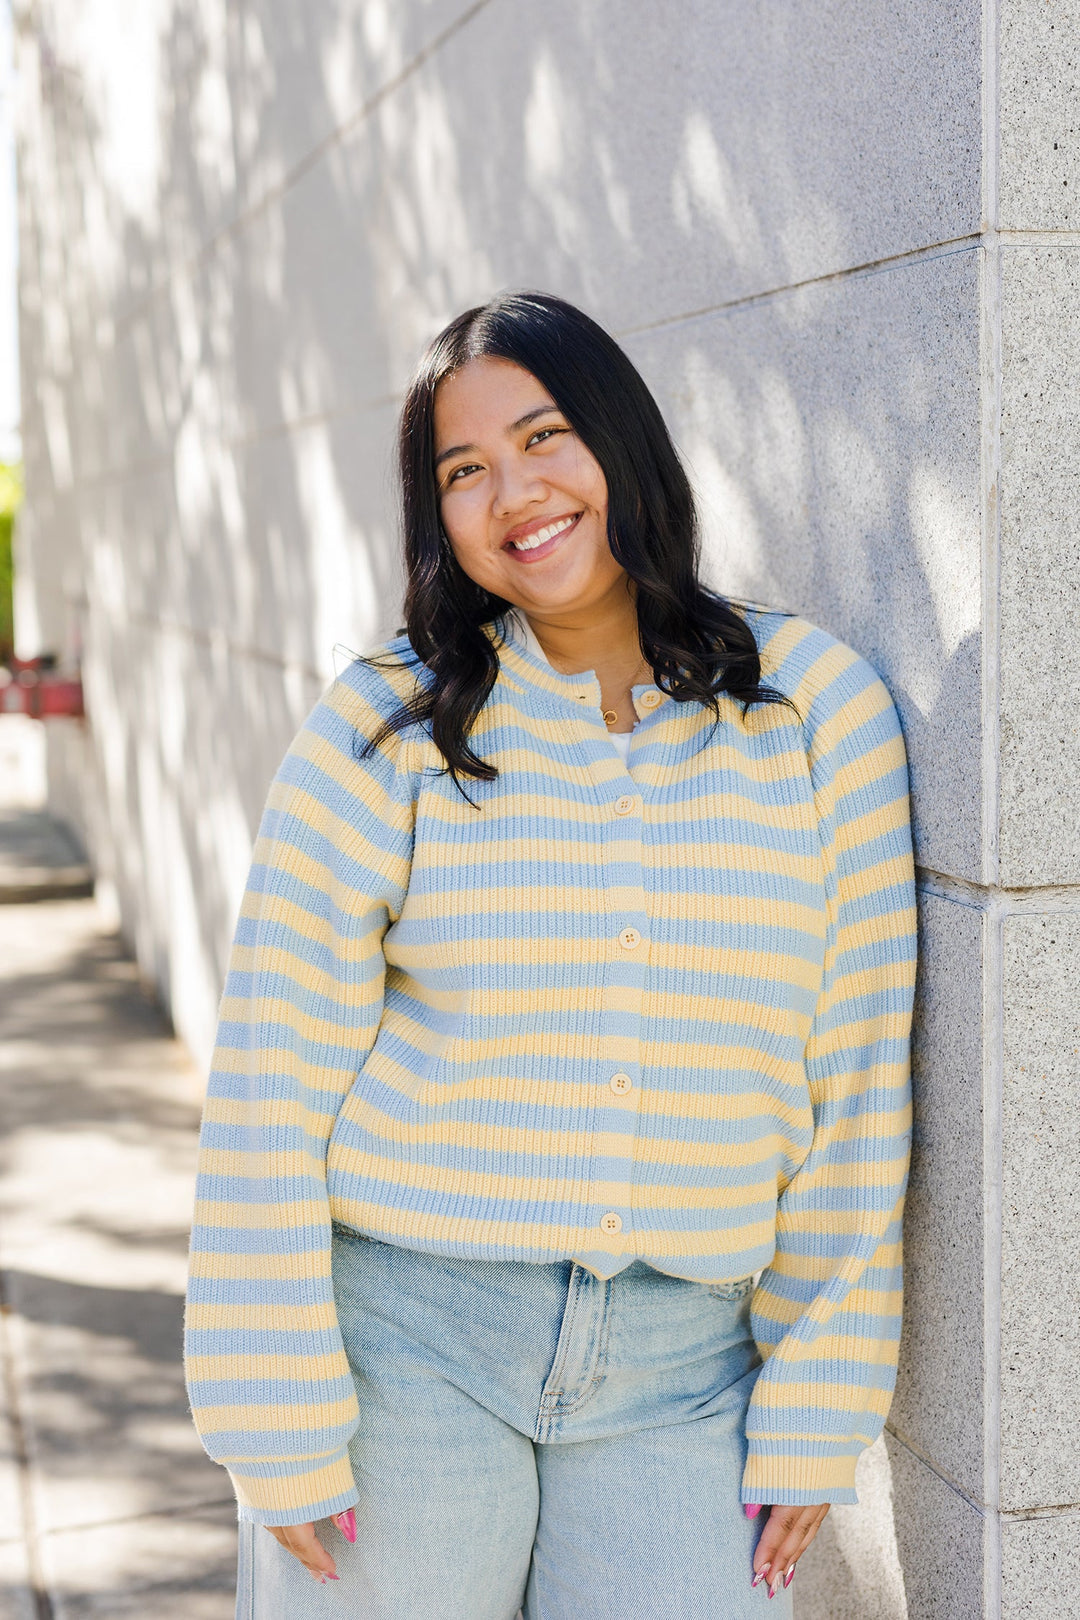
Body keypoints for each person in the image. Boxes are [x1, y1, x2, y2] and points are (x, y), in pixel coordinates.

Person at [184, 290, 916, 1619]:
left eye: (543, 437)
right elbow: (270, 1078)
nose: (514, 492)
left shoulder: (817, 714)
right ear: (439, 520)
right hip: (407, 1347)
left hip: (686, 1373)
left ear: (621, 440)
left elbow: (857, 1082)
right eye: (463, 470)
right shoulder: (385, 726)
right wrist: (273, 1408)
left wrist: (820, 1395)